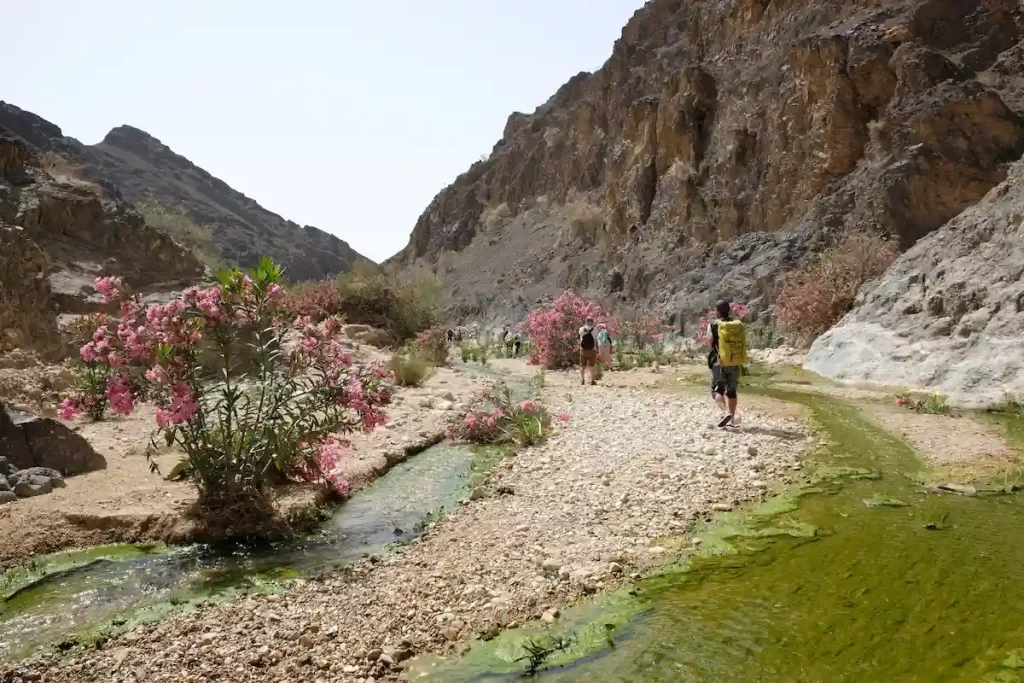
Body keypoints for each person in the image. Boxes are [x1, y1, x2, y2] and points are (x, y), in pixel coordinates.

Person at [709, 299, 747, 428]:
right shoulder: (736, 324)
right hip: (735, 361)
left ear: (718, 311)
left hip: (720, 362)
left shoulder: (714, 324)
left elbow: (710, 342)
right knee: (732, 391)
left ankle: (725, 412)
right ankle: (731, 418)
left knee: (716, 390)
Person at [579, 317, 598, 385]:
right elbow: (596, 339)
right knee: (592, 366)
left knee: (582, 366)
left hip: (583, 350)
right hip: (592, 350)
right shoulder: (595, 329)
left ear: (586, 321)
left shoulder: (581, 329)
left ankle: (582, 380)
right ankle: (592, 380)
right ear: (592, 322)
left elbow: (580, 336)